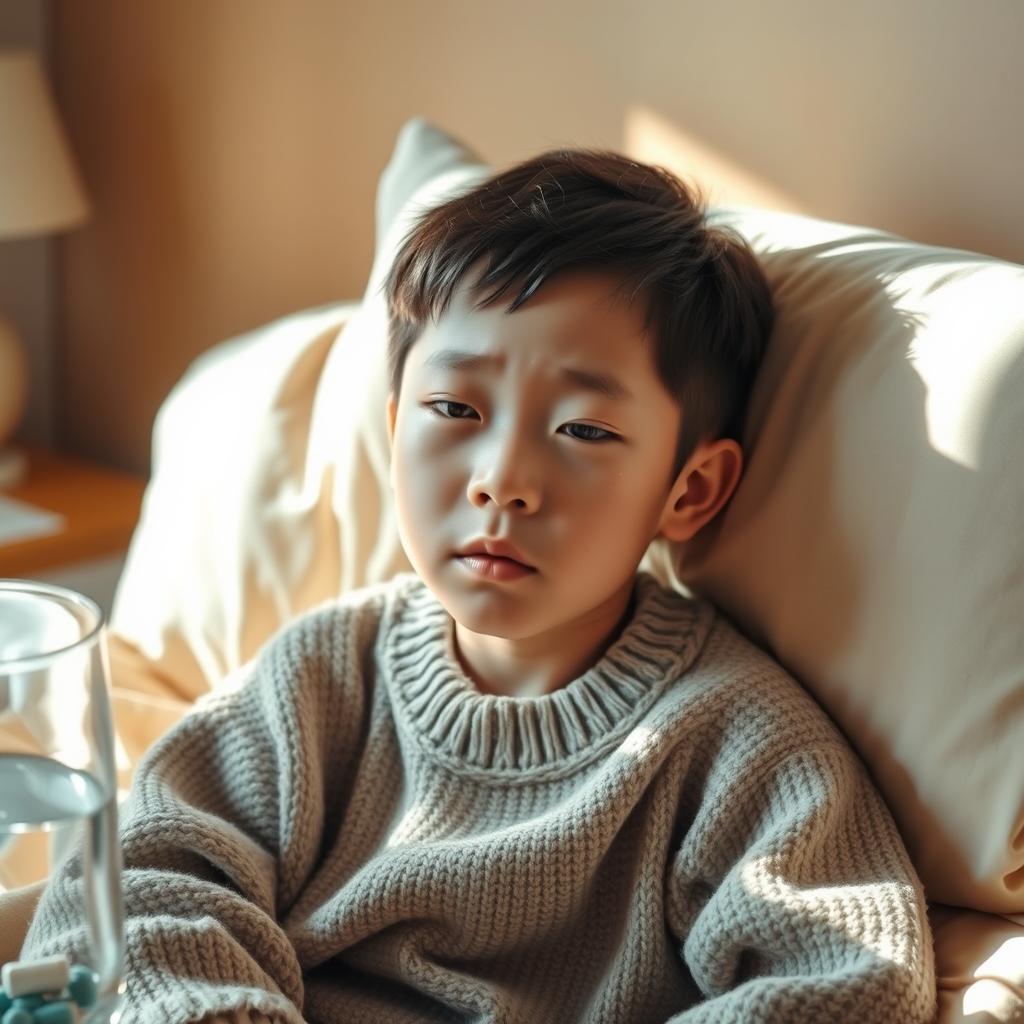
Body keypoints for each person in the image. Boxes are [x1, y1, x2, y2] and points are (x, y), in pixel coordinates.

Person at [22, 148, 937, 1023]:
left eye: (583, 430)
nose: (503, 480)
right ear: (394, 433)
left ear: (688, 489)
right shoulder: (324, 675)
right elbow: (143, 880)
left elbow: (851, 984)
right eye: (455, 410)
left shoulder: (737, 743)